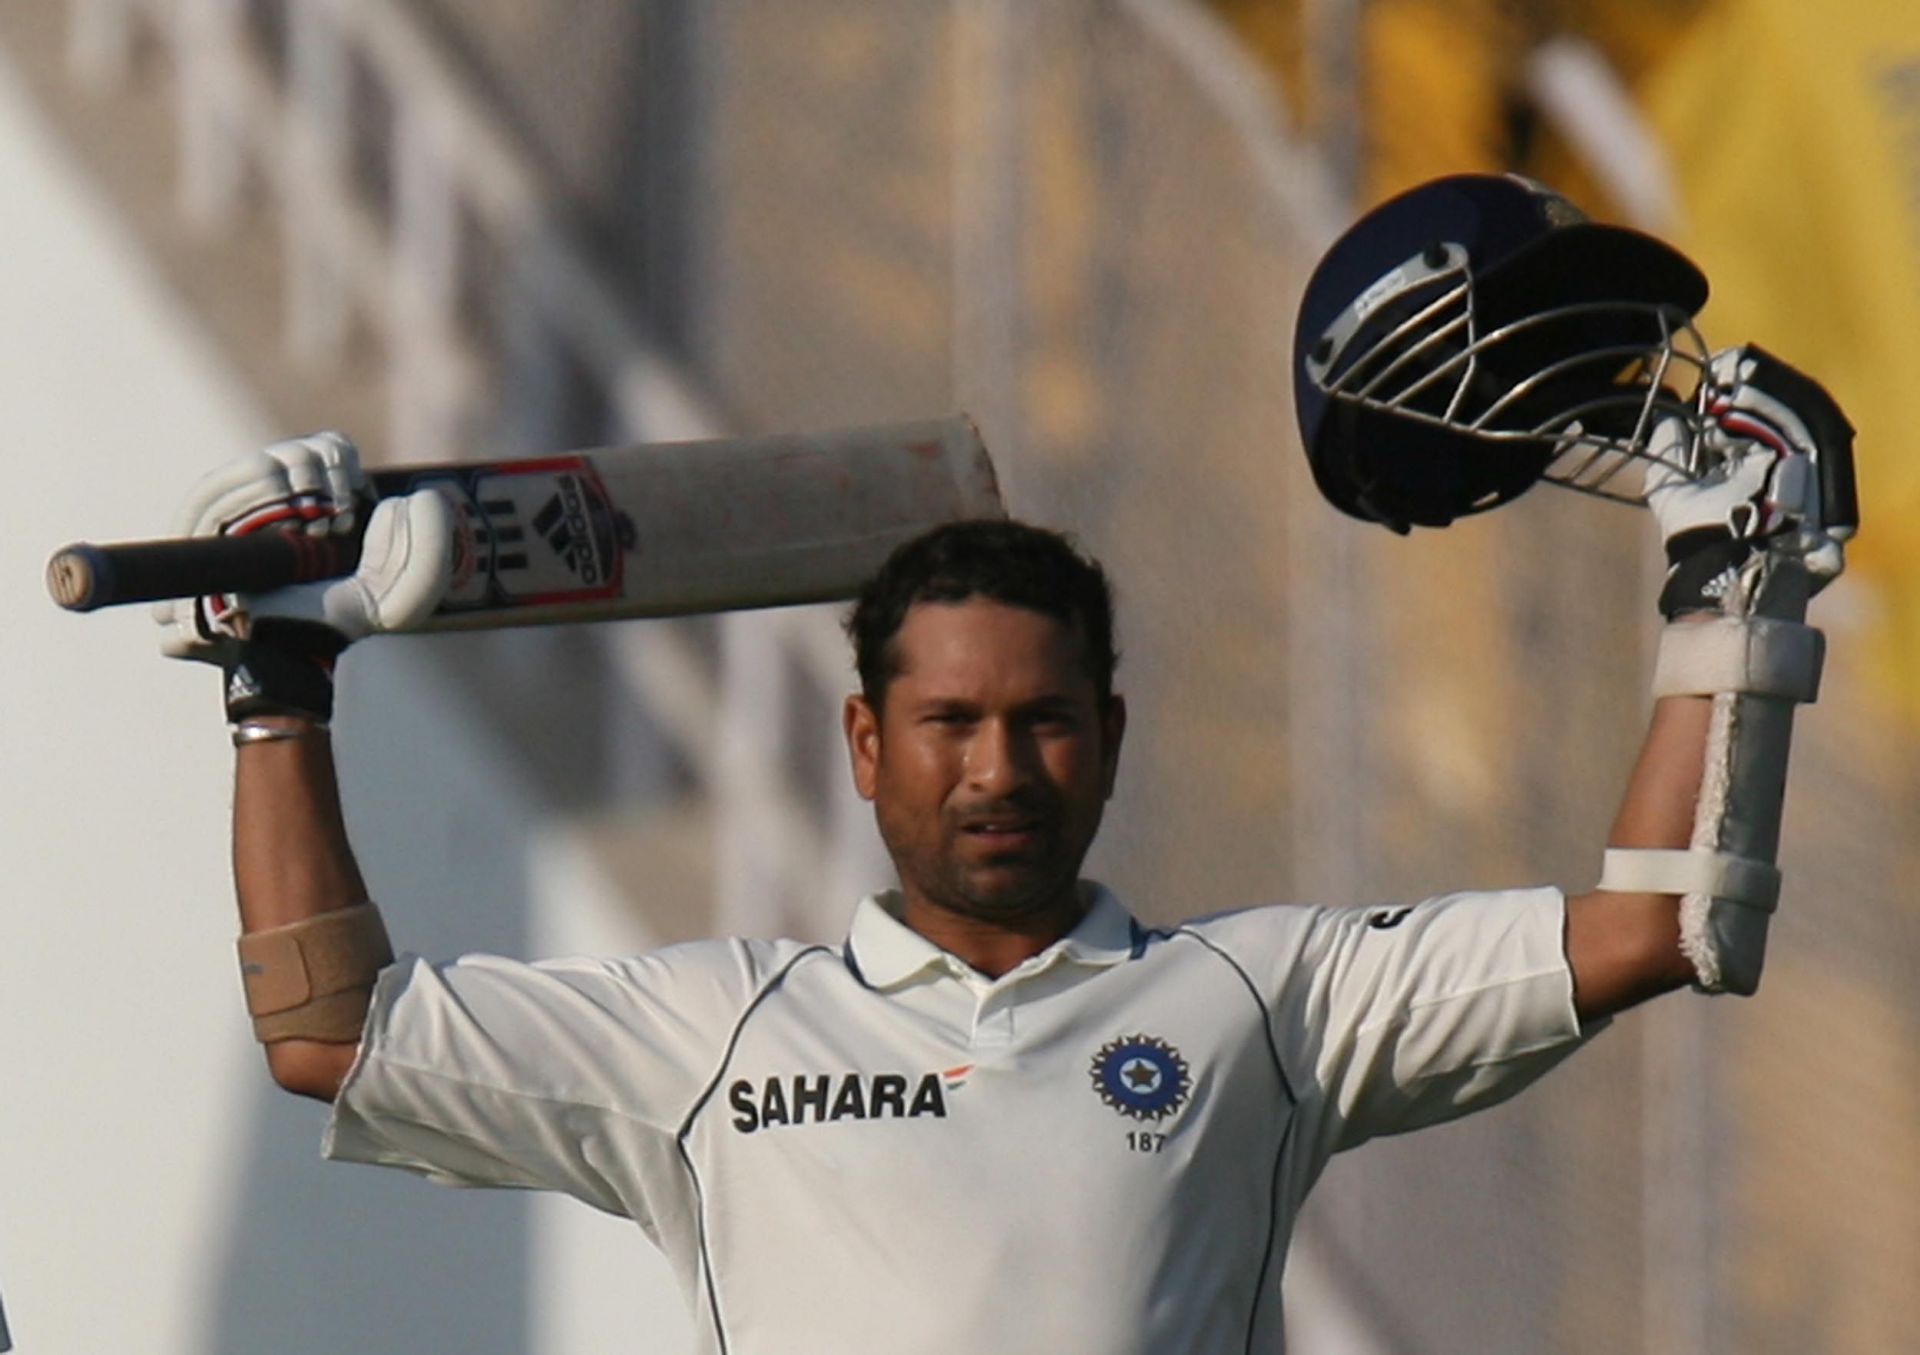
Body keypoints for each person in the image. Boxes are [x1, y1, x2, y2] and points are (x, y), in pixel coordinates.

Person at [158, 415, 1825, 1353]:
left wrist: (1732, 585)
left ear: (1107, 738)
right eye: (949, 724)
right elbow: (329, 1030)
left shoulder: (1269, 1003)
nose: (997, 770)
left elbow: (1660, 921)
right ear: (866, 746)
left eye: (1041, 725)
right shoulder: (716, 1033)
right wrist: (283, 685)